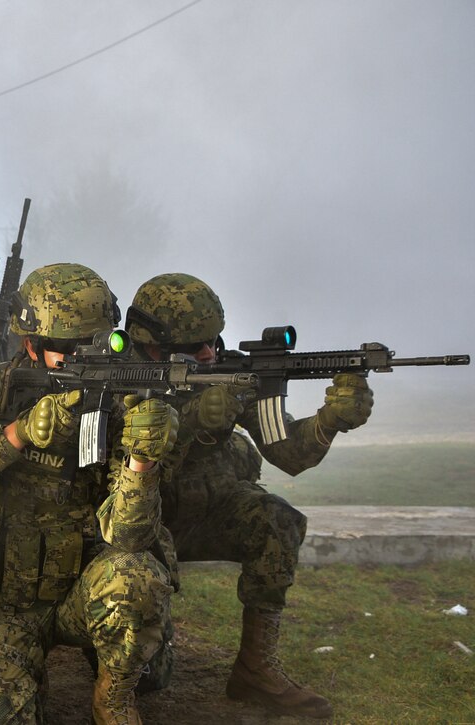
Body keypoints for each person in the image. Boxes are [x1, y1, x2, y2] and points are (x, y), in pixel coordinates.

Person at [0, 263, 180, 724]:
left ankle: (114, 701)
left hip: (84, 593)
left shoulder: (125, 401)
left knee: (138, 595)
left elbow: (129, 537)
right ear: (30, 344)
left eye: (95, 343)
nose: (81, 357)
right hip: (7, 602)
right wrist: (16, 435)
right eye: (65, 348)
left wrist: (142, 461)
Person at [124, 272, 375, 719]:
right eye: (194, 346)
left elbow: (288, 452)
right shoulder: (115, 380)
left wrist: (331, 419)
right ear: (154, 349)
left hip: (207, 516)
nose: (208, 353)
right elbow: (108, 469)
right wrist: (191, 421)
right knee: (146, 681)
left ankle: (256, 668)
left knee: (276, 519)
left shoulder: (229, 372)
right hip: (138, 529)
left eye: (213, 341)